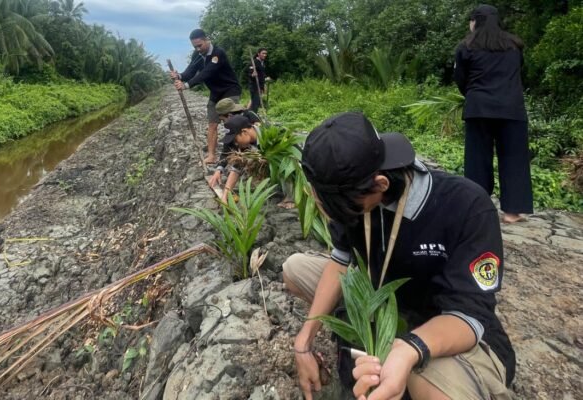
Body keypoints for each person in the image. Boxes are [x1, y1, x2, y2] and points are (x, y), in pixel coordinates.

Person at [283, 111, 515, 400]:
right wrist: (303, 342)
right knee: (294, 269)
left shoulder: (467, 207)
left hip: (449, 324)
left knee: (431, 386)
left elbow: (470, 315)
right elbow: (340, 261)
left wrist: (409, 348)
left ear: (380, 184)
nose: (334, 213)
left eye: (343, 207)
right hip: (385, 305)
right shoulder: (348, 188)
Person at [454, 4, 533, 224]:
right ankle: (512, 213)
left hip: (479, 108)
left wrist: (473, 94)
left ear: (475, 22)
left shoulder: (466, 47)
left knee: (478, 160)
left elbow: (461, 79)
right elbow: (519, 73)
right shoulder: (514, 45)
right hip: (512, 108)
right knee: (514, 159)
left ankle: (478, 209)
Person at [171, 29, 242, 164]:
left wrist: (186, 85)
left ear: (207, 40)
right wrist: (179, 76)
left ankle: (239, 152)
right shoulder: (197, 55)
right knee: (212, 123)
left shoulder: (218, 53)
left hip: (230, 90)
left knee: (231, 123)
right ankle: (211, 155)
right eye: (195, 47)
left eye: (200, 45)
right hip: (215, 92)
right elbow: (190, 71)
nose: (198, 49)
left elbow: (206, 73)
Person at [208, 115, 259, 201]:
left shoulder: (270, 135)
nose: (235, 144)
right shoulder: (245, 144)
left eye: (235, 140)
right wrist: (225, 195)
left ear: (244, 132)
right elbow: (237, 168)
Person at [247, 48, 268, 113]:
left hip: (260, 85)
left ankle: (248, 114)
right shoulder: (254, 62)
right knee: (255, 104)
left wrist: (265, 78)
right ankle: (253, 119)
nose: (265, 55)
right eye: (263, 53)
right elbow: (248, 73)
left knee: (255, 102)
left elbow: (262, 74)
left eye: (265, 53)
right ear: (258, 54)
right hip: (254, 86)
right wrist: (252, 75)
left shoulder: (262, 63)